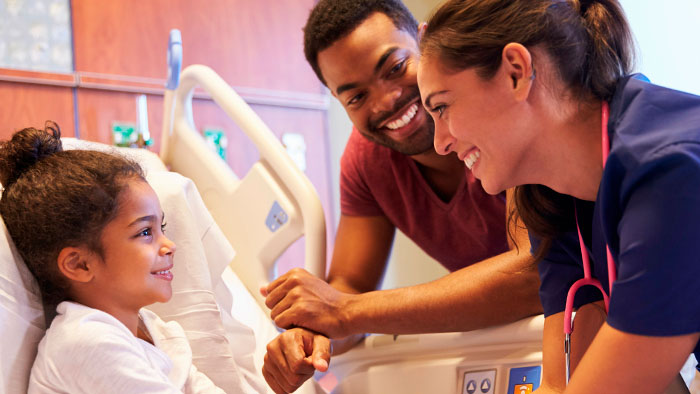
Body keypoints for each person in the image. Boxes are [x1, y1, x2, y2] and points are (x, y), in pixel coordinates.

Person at [417, 0, 700, 392]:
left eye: (443, 107)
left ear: (516, 72)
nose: (440, 143)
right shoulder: (557, 197)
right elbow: (561, 381)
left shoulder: (667, 169)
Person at [259, 1, 542, 392]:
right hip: (511, 343)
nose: (386, 101)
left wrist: (344, 312)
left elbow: (533, 273)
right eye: (355, 97)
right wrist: (313, 334)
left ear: (426, 41)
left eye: (395, 68)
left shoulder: (500, 109)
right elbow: (350, 283)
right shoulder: (367, 160)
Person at [0, 123, 229, 393]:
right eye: (146, 232)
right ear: (79, 264)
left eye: (161, 228)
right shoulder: (86, 342)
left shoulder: (153, 329)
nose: (169, 245)